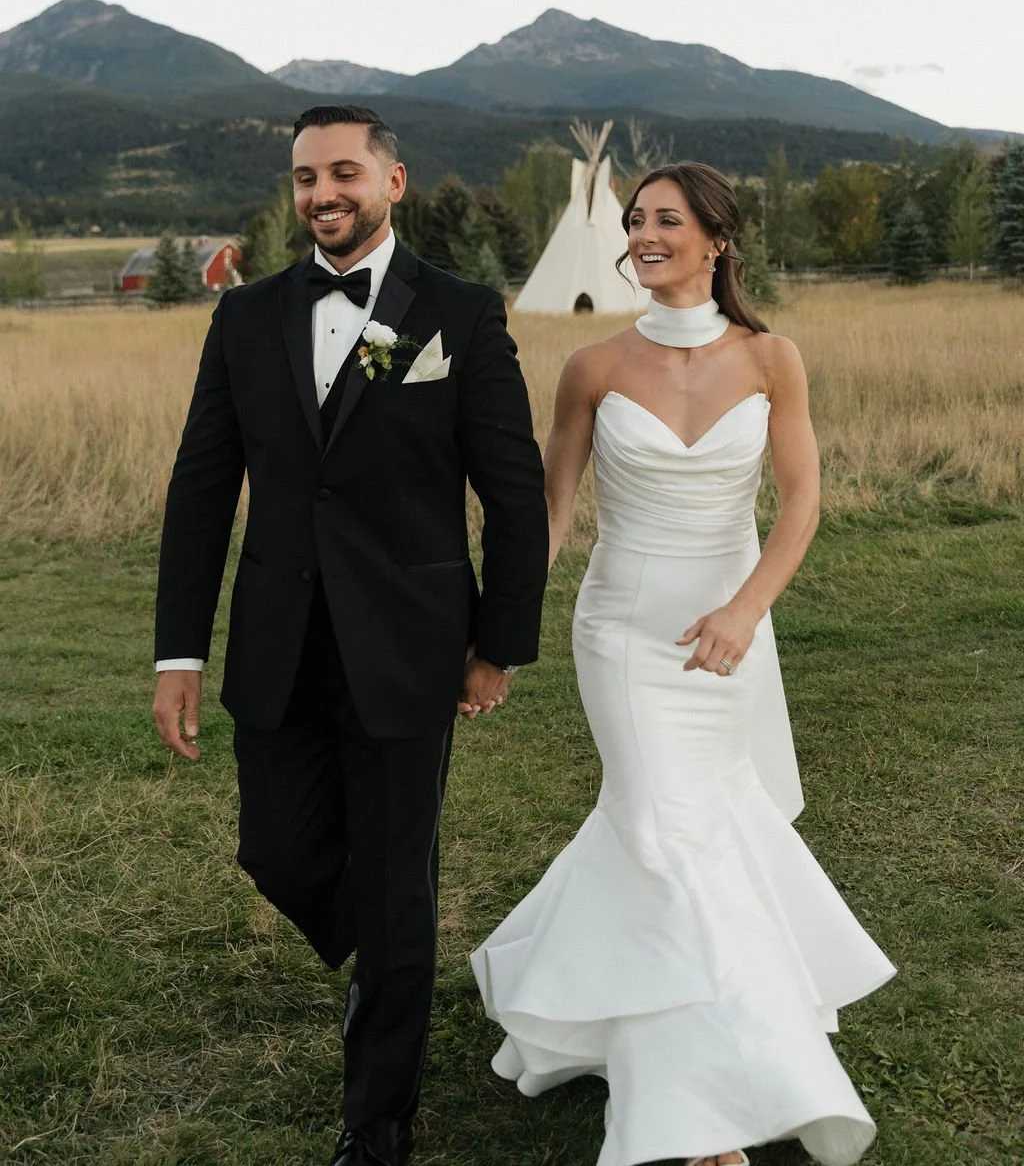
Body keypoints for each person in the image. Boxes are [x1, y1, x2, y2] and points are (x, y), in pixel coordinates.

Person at [472, 162, 896, 1166]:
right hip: (621, 632)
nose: (643, 233)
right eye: (633, 221)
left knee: (698, 828)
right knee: (665, 832)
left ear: (715, 238)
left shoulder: (771, 358)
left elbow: (799, 505)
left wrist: (746, 612)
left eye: (666, 219)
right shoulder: (592, 367)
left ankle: (612, 997)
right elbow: (548, 514)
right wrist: (498, 636)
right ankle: (700, 1112)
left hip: (730, 633)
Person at [152, 105, 548, 1166]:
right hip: (277, 646)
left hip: (410, 649)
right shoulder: (246, 318)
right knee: (275, 849)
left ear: (393, 182)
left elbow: (512, 495)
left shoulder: (460, 315)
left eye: (341, 173)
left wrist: (496, 644)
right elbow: (201, 489)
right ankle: (390, 951)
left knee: (396, 879)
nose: (320, 193)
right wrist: (178, 652)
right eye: (301, 178)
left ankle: (376, 1123)